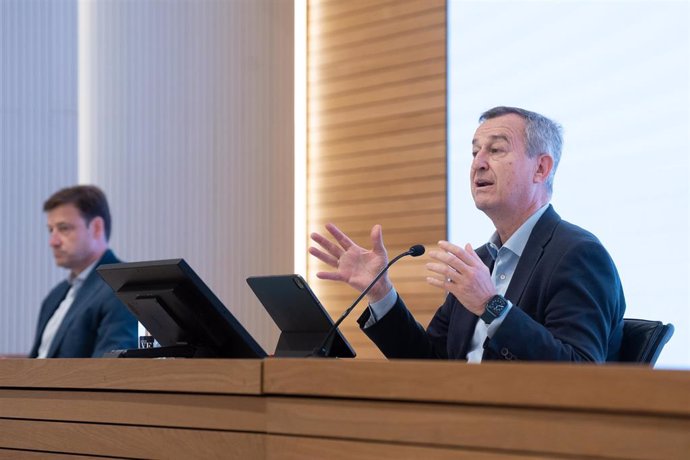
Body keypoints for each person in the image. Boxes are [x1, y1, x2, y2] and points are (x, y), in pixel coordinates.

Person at [309, 106, 625, 362]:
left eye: (496, 150)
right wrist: (381, 293)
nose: (478, 164)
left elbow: (581, 373)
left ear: (541, 169)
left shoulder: (578, 254)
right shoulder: (481, 262)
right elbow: (429, 365)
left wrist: (491, 306)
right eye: (474, 152)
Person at [29, 185, 137, 358]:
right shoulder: (55, 296)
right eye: (51, 230)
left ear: (96, 228)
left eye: (63, 228)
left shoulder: (122, 288)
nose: (53, 241)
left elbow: (109, 370)